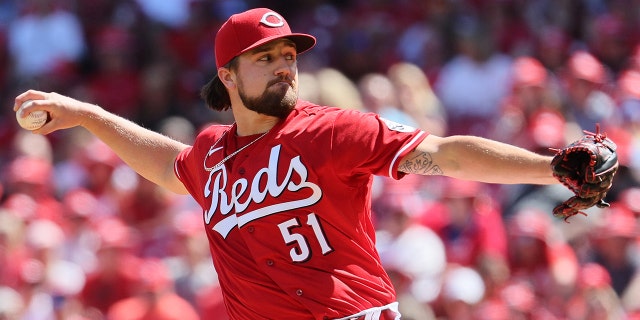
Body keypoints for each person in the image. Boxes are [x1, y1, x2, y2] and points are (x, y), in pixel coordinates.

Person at [14, 7, 562, 320]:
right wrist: (86, 114)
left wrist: (550, 169)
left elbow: (446, 156)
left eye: (288, 57)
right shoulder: (212, 154)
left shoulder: (332, 130)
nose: (284, 67)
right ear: (228, 75)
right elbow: (166, 165)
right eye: (265, 58)